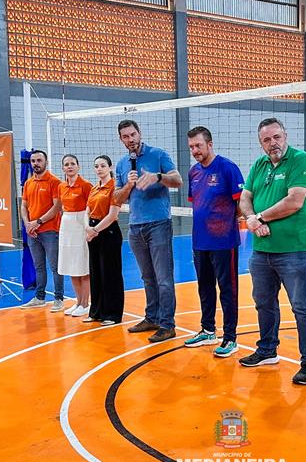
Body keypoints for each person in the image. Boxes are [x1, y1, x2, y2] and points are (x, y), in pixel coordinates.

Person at [238, 117, 306, 385]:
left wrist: (260, 218)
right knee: (263, 302)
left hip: (294, 249)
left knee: (302, 307)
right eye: (266, 139)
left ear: (285, 136)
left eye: (276, 137)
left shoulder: (300, 160)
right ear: (260, 143)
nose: (272, 143)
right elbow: (245, 198)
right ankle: (267, 350)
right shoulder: (259, 165)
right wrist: (252, 219)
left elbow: (294, 201)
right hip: (262, 250)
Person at [112, 119, 183, 343]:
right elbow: (116, 198)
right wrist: (128, 185)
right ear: (121, 139)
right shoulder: (122, 164)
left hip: (159, 224)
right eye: (126, 136)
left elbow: (178, 180)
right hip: (135, 227)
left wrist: (158, 177)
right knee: (147, 277)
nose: (130, 139)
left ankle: (167, 325)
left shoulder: (158, 154)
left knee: (163, 278)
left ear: (139, 133)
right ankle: (152, 318)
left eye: (133, 134)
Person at [183, 126, 244, 357]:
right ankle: (208, 330)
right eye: (191, 147)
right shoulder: (193, 172)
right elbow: (198, 204)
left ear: (210, 144)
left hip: (224, 242)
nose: (195, 151)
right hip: (200, 241)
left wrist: (225, 223)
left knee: (228, 290)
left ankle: (230, 338)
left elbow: (241, 203)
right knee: (204, 287)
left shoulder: (228, 168)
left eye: (198, 145)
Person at [20, 150, 64, 311]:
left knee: (55, 266)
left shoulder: (54, 182)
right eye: (33, 161)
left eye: (39, 160)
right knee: (39, 266)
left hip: (50, 231)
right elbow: (23, 206)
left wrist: (38, 222)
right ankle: (39, 297)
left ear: (46, 162)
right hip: (33, 232)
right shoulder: (28, 183)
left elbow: (57, 207)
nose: (36, 163)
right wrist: (28, 224)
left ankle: (58, 299)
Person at [84, 155, 124, 326]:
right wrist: (87, 227)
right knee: (96, 272)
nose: (99, 169)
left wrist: (94, 230)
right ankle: (96, 312)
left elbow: (113, 215)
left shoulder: (115, 187)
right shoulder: (94, 188)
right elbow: (87, 210)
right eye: (96, 166)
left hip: (108, 232)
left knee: (110, 273)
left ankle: (112, 314)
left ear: (110, 167)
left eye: (102, 165)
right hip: (93, 231)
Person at [57, 154, 93, 317]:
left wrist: (88, 228)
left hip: (80, 225)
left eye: (72, 163)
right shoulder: (61, 187)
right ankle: (78, 302)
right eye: (66, 164)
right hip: (67, 226)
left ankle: (85, 304)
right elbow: (61, 207)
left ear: (78, 166)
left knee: (83, 266)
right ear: (63, 168)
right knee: (71, 265)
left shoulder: (86, 185)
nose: (69, 166)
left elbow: (90, 208)